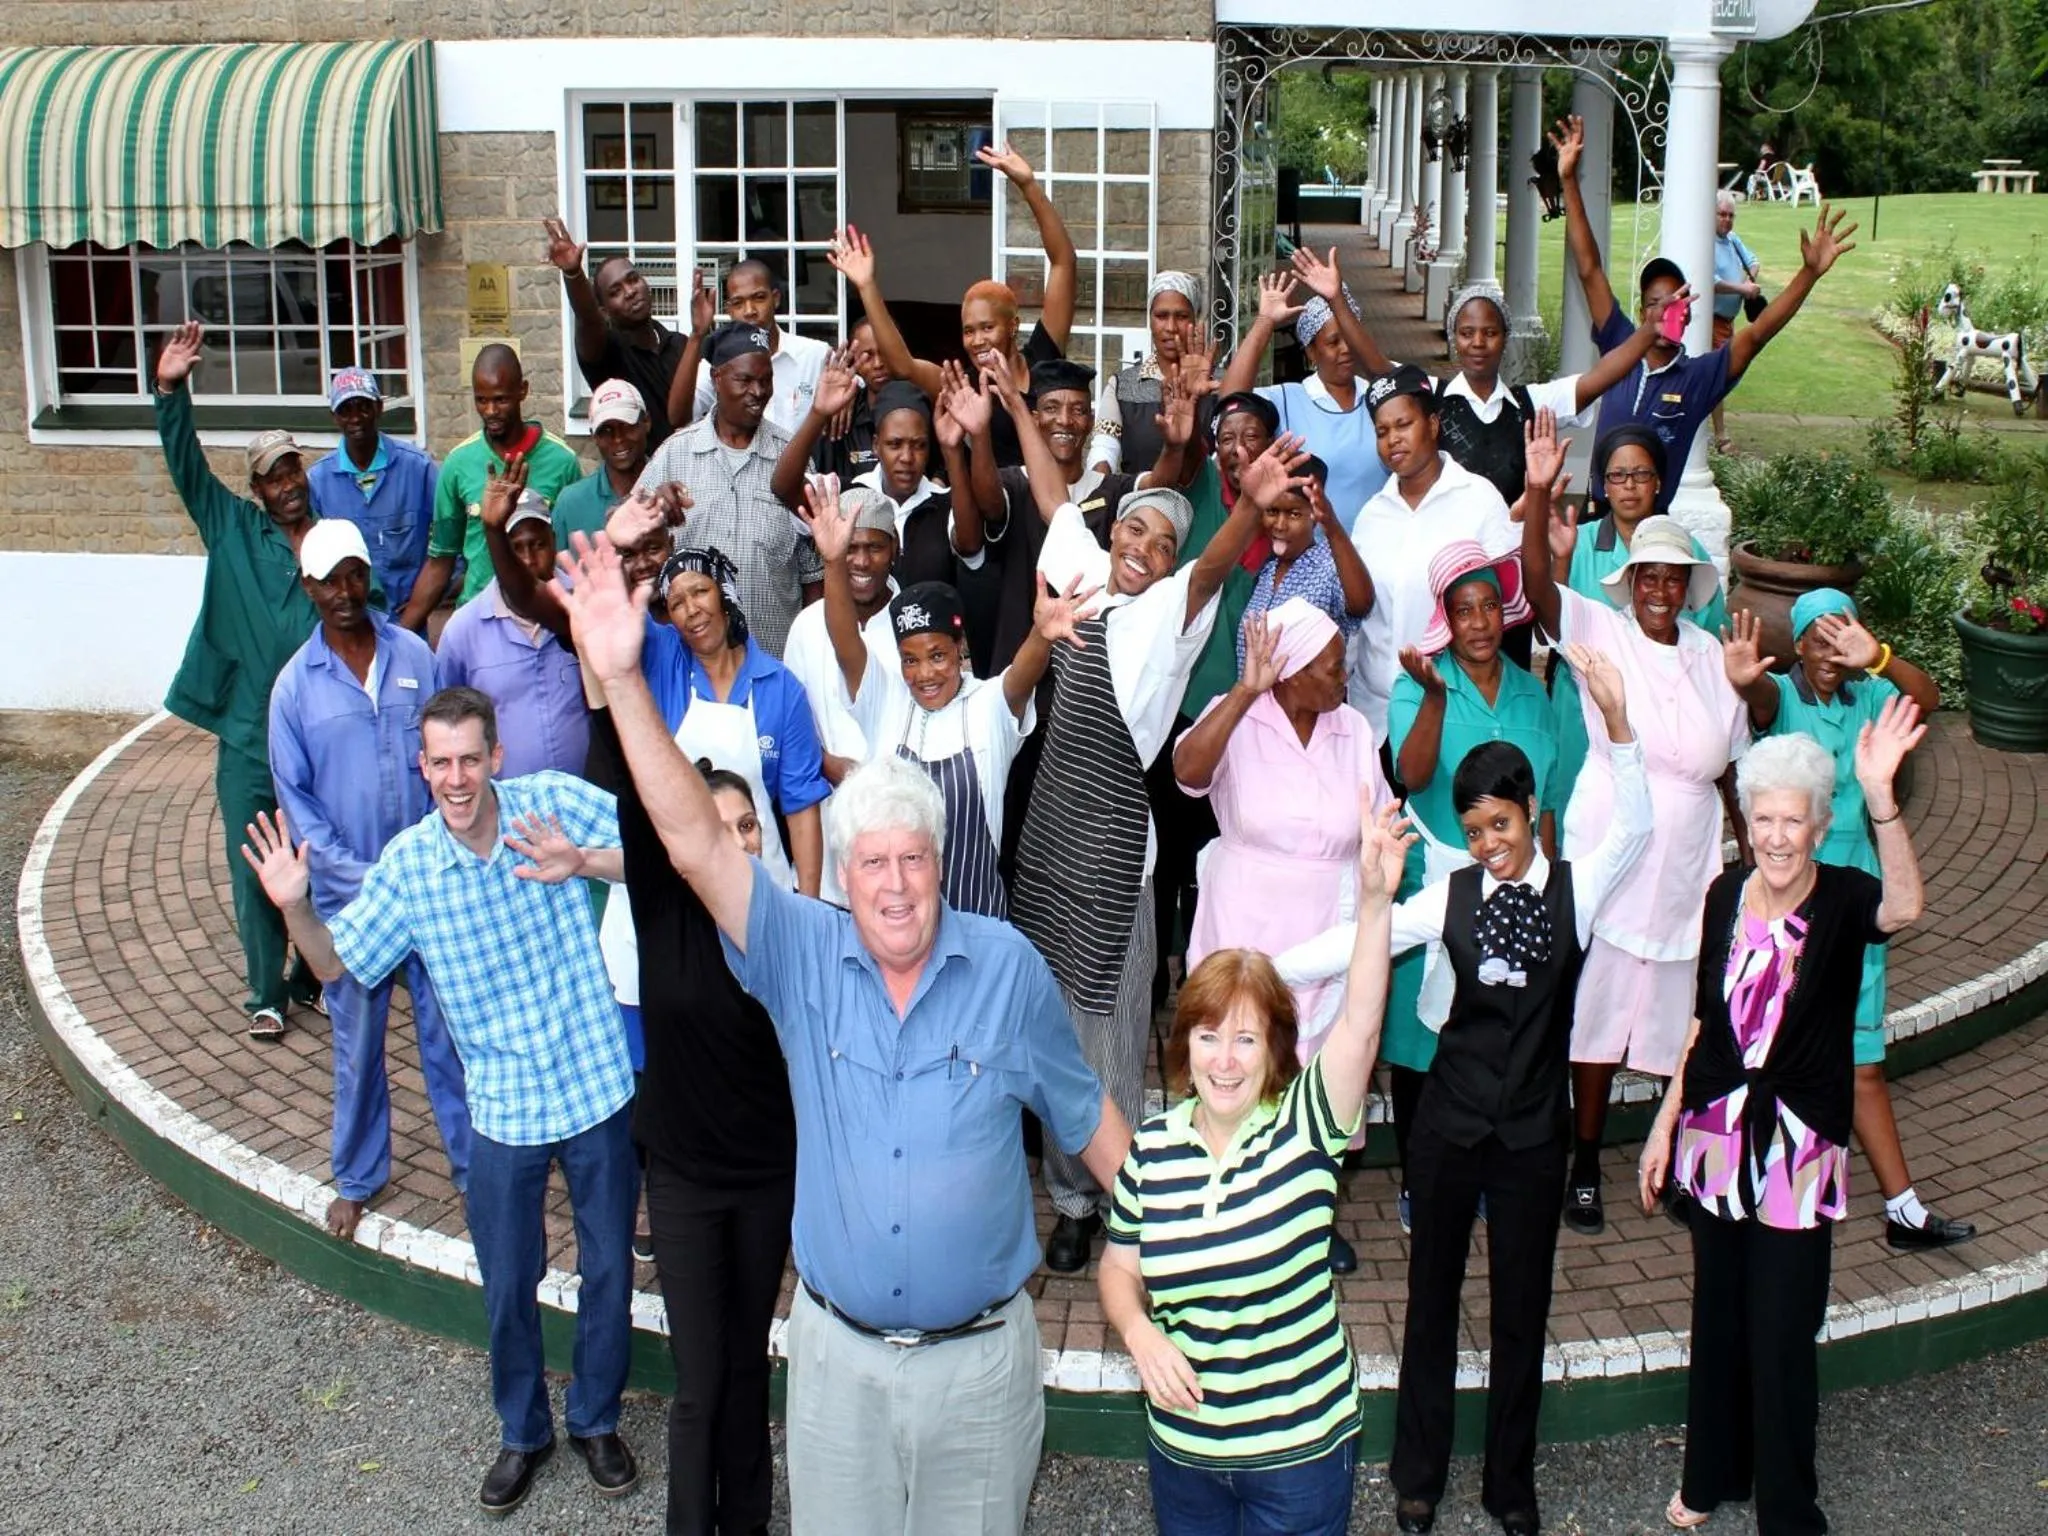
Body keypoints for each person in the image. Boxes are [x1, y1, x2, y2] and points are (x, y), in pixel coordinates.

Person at [555, 530, 1132, 1536]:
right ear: (842, 874)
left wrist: (1196, 1234)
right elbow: (692, 840)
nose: (895, 886)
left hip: (982, 1368)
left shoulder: (1005, 968)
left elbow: (1088, 1122)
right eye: (870, 864)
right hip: (838, 1370)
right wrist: (618, 678)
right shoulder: (798, 951)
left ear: (939, 863)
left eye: (913, 859)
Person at [241, 687, 643, 1517]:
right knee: (507, 1281)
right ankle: (523, 1431)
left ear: (496, 756)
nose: (457, 779)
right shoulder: (411, 869)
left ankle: (596, 1418)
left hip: (597, 1085)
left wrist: (586, 862)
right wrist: (296, 907)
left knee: (608, 1269)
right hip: (501, 1109)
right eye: (441, 763)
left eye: (470, 758)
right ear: (423, 769)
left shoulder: (553, 806)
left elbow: (665, 849)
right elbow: (335, 967)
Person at [1278, 645, 1652, 1536]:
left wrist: (1621, 724)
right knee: (1431, 1303)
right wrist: (1261, 965)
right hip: (1446, 1125)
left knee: (1523, 1310)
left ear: (1530, 813)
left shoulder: (1577, 888)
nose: (1490, 845)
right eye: (1475, 830)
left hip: (1532, 1133)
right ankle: (1418, 1476)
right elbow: (1358, 942)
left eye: (1502, 825)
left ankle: (1510, 1487)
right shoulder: (1446, 894)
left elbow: (1634, 828)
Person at [1011, 430, 1311, 1275]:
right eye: (1135, 532)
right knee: (1052, 1028)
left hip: (1111, 849)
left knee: (1107, 1043)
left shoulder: (1172, 613)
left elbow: (1214, 567)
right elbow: (1051, 500)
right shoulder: (1084, 578)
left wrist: (1249, 502)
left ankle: (1121, 1205)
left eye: (1163, 542)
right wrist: (1009, 400)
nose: (1145, 548)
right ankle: (1071, 1196)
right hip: (1047, 842)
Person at [1641, 707, 1929, 1536]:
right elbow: (1701, 1022)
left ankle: (1789, 1507)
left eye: (1791, 819)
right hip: (1715, 1134)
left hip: (1799, 1144)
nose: (1775, 834)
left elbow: (1906, 907)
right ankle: (1713, 1473)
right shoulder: (1724, 894)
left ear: (1818, 825)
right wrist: (1665, 1128)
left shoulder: (1842, 900)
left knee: (1782, 1327)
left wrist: (1883, 795)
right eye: (1762, 816)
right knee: (1719, 1312)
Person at [1101, 807, 1405, 1536]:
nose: (1226, 1059)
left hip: (1298, 1455)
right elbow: (1117, 1268)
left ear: (1276, 1049)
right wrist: (1140, 1335)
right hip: (1185, 1452)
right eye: (1209, 1036)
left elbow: (1362, 1021)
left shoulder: (1306, 1125)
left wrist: (1373, 903)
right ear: (1186, 1045)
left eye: (1246, 1038)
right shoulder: (1154, 1146)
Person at [1518, 414, 1750, 1236]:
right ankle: (1585, 1164)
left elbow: (1733, 765)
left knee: (1677, 1016)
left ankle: (1676, 1153)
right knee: (1599, 1014)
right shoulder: (1604, 632)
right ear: (1630, 582)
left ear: (1689, 588)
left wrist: (1749, 853)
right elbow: (1540, 593)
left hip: (1687, 860)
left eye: (1672, 579)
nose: (1658, 590)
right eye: (1646, 576)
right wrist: (1542, 483)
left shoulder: (1708, 656)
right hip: (1616, 848)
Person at [584, 699, 797, 1536]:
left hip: (766, 1180)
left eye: (748, 825)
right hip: (681, 1180)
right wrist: (606, 672)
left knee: (748, 1367)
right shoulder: (663, 912)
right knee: (701, 1380)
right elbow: (637, 788)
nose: (737, 839)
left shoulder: (789, 930)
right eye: (717, 826)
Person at [1723, 591, 1974, 1254]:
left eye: (1842, 637)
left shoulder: (1866, 697)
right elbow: (1759, 704)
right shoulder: (1779, 695)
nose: (1830, 652)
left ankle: (1904, 1208)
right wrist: (1748, 683)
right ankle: (1732, 1181)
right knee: (1766, 1047)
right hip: (1789, 899)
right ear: (1797, 643)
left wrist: (1883, 658)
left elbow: (1929, 698)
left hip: (1861, 899)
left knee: (1863, 1059)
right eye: (1817, 638)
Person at [1173, 599, 1394, 1271]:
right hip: (1246, 924)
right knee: (1238, 1060)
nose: (1344, 674)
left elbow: (1378, 811)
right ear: (1290, 671)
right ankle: (1225, 1210)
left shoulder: (1352, 727)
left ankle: (1308, 1217)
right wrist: (1245, 689)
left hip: (1328, 925)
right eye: (1331, 665)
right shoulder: (1238, 714)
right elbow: (1186, 772)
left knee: (1320, 1071)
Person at [267, 519, 472, 1241]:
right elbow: (302, 811)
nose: (344, 591)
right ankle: (357, 1176)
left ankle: (474, 1172)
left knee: (450, 1036)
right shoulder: (295, 689)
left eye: (353, 573)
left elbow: (448, 757)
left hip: (431, 889)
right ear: (309, 587)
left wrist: (432, 860)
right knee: (358, 1045)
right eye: (328, 579)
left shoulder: (415, 654)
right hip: (352, 903)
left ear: (367, 574)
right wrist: (370, 879)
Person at [595, 527, 830, 1066]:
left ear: (725, 592)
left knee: (751, 1048)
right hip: (669, 892)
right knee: (667, 1051)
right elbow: (603, 617)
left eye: (699, 591)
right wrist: (617, 539)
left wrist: (808, 911)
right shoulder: (662, 662)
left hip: (755, 892)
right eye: (674, 602)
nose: (689, 609)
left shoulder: (779, 688)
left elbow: (799, 807)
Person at [1380, 541, 1560, 1235]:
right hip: (1440, 881)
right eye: (1464, 611)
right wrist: (1431, 698)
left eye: (1489, 607)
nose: (1479, 623)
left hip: (1514, 885)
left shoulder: (1529, 691)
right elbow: (1413, 774)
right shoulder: (1415, 685)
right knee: (1424, 1044)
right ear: (1445, 620)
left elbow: (1545, 801)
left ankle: (1478, 1172)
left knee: (1490, 1036)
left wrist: (1550, 885)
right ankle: (1420, 1181)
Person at [151, 319, 323, 1039]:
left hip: (315, 733)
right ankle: (265, 990)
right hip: (250, 733)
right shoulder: (232, 529)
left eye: (294, 470)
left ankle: (312, 971)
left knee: (315, 850)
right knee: (253, 854)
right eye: (273, 476)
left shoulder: (330, 541)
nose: (287, 485)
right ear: (257, 488)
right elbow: (186, 466)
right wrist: (170, 391)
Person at [1552, 114, 1856, 512]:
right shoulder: (1619, 344)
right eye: (1654, 305)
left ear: (1691, 315)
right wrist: (1569, 181)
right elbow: (1589, 268)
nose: (1663, 314)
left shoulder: (1698, 378)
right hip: (1600, 520)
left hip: (1654, 529)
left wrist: (1809, 274)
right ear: (1642, 311)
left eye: (1674, 303)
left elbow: (1759, 332)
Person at [806, 474, 1065, 918]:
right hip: (895, 921)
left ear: (960, 650)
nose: (924, 673)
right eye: (910, 660)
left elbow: (1023, 673)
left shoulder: (987, 705)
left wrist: (1042, 634)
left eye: (937, 656)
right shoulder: (886, 701)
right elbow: (844, 639)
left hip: (976, 923)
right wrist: (833, 562)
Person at [827, 142, 1077, 466]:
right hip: (994, 511)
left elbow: (1063, 263)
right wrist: (866, 286)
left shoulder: (1044, 358)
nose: (977, 340)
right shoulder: (964, 384)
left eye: (988, 327)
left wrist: (1028, 186)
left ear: (1013, 325)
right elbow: (903, 365)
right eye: (969, 331)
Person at [1546, 425, 1730, 811]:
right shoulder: (1576, 543)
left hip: (1667, 713)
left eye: (1641, 474)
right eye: (1618, 475)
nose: (1630, 486)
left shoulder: (1689, 551)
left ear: (1659, 481)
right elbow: (1554, 617)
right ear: (1603, 485)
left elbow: (1713, 636)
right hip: (1583, 710)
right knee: (1581, 811)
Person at [1347, 365, 1521, 747]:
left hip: (1452, 719)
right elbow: (1359, 621)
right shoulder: (1371, 517)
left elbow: (1505, 605)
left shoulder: (1479, 500)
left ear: (1432, 423)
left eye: (1403, 425)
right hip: (1374, 722)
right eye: (1381, 431)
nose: (1393, 439)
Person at [633, 323, 818, 658]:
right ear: (717, 379)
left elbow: (813, 570)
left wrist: (810, 657)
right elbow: (627, 543)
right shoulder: (675, 455)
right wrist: (653, 509)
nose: (758, 391)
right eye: (745, 380)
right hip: (693, 667)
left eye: (765, 380)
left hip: (774, 664)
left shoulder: (791, 457)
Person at [437, 476, 593, 780]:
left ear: (554, 541)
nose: (529, 560)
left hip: (586, 802)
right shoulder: (463, 631)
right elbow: (448, 723)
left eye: (538, 545)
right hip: (506, 811)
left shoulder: (584, 605)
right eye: (516, 548)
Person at [410, 345, 582, 619]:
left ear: (522, 391)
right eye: (481, 400)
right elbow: (441, 561)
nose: (490, 410)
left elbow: (571, 554)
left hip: (544, 616)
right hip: (479, 616)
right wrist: (398, 638)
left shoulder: (562, 462)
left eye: (500, 400)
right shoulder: (457, 464)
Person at [1218, 258, 1390, 528]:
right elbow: (1229, 403)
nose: (1346, 349)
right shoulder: (1287, 400)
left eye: (1350, 338)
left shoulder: (1378, 397)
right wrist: (1265, 323)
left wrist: (1337, 300)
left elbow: (1393, 378)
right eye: (1334, 342)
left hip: (1375, 554)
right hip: (1308, 559)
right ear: (1311, 351)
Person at [772, 360, 970, 592]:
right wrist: (818, 414)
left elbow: (970, 544)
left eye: (918, 445)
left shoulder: (947, 504)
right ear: (876, 445)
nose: (906, 457)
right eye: (895, 444)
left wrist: (953, 449)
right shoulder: (846, 494)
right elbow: (783, 486)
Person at [544, 217, 691, 450]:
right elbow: (588, 319)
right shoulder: (607, 351)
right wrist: (573, 273)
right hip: (640, 479)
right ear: (604, 309)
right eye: (616, 291)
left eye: (633, 280)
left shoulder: (681, 345)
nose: (630, 292)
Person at [306, 367, 439, 619]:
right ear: (334, 416)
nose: (355, 417)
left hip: (413, 620)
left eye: (363, 407)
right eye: (346, 410)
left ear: (379, 408)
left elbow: (453, 537)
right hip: (351, 623)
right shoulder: (318, 481)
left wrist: (427, 601)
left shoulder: (418, 468)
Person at [1233, 452, 1373, 670]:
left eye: (1293, 514)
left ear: (1314, 515)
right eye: (1272, 511)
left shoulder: (1330, 565)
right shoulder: (1266, 570)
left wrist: (1333, 526)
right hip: (1255, 702)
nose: (1279, 524)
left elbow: (1361, 604)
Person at [678, 258, 832, 435]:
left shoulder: (815, 355)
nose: (749, 310)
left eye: (758, 298)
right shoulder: (719, 363)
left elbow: (856, 389)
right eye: (738, 303)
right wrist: (697, 335)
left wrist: (846, 402)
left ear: (775, 299)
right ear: (729, 311)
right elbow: (681, 417)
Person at [1088, 270, 1211, 476]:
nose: (1171, 327)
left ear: (1195, 320)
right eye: (1161, 316)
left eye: (1181, 316)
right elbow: (1104, 450)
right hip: (1139, 502)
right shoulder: (1123, 386)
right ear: (1150, 320)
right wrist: (1101, 488)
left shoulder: (1215, 384)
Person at [552, 378, 655, 545]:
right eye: (606, 431)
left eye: (626, 425)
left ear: (646, 422)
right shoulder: (570, 503)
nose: (618, 438)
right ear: (594, 436)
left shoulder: (667, 494)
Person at [1709, 192, 1763, 452]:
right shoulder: (1704, 242)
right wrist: (1742, 289)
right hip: (1711, 321)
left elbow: (1753, 261)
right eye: (1722, 214)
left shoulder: (1732, 240)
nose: (1727, 220)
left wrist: (1749, 279)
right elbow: (1711, 282)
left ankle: (1716, 432)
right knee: (1718, 377)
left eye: (1731, 215)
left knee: (1726, 374)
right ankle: (1721, 437)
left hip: (1728, 322)